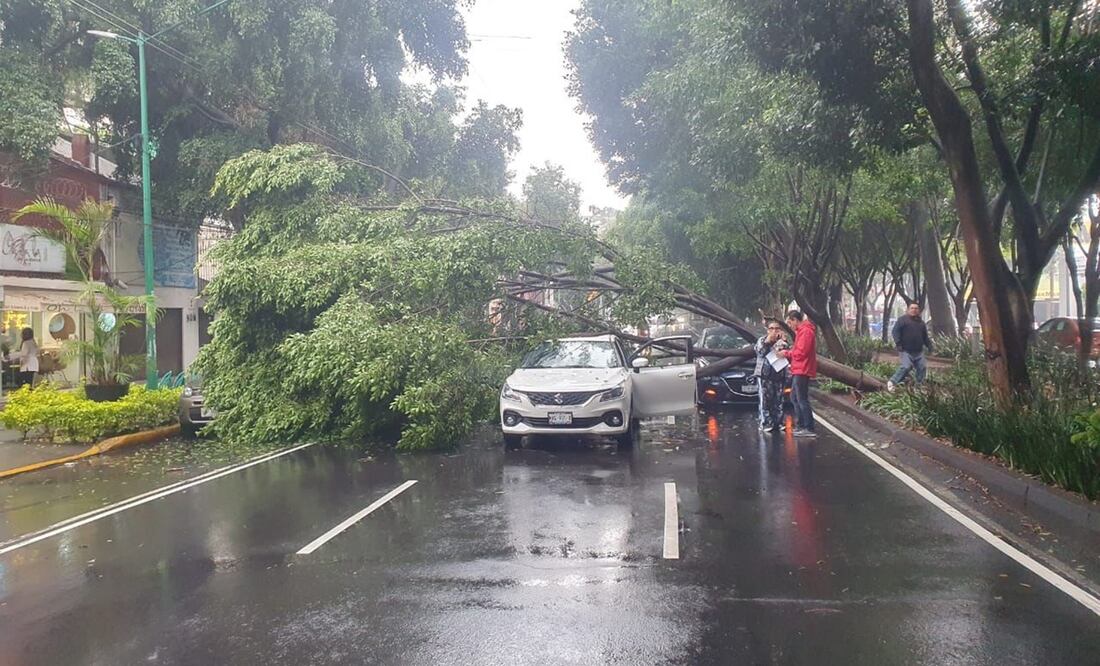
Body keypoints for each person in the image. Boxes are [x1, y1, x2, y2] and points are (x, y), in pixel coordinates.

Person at [778, 309, 817, 438]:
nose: (789, 326)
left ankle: (808, 427)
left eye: (790, 322)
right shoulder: (801, 331)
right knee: (794, 397)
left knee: (801, 398)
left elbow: (801, 352)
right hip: (798, 368)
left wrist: (786, 353)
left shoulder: (806, 332)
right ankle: (801, 425)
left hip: (802, 369)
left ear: (795, 320)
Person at [754, 321, 790, 432]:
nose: (774, 331)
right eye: (772, 328)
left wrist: (783, 342)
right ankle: (765, 422)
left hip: (779, 374)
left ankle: (778, 422)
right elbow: (760, 352)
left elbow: (787, 353)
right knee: (765, 401)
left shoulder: (782, 341)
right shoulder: (762, 340)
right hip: (765, 375)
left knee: (779, 400)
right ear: (768, 330)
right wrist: (768, 342)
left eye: (777, 328)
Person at [888, 302, 932, 391]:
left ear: (918, 310)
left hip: (919, 351)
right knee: (906, 366)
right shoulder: (902, 320)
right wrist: (898, 343)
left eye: (916, 308)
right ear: (908, 310)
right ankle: (892, 382)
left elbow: (925, 337)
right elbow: (895, 332)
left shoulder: (921, 323)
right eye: (912, 308)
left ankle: (919, 387)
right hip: (905, 350)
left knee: (922, 367)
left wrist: (930, 346)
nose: (914, 310)